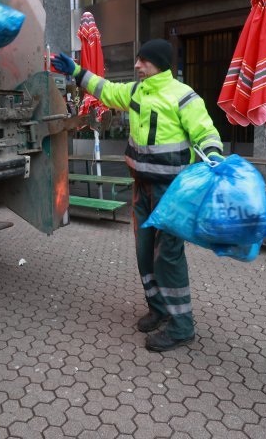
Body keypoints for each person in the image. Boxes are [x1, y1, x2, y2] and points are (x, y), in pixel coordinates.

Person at [51, 39, 224, 352]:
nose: (136, 65)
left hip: (173, 193)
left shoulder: (184, 97)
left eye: (142, 60)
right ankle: (158, 310)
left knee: (167, 257)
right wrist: (76, 71)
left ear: (157, 62)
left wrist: (213, 154)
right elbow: (103, 89)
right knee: (145, 253)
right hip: (141, 189)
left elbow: (206, 133)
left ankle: (182, 325)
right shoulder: (135, 92)